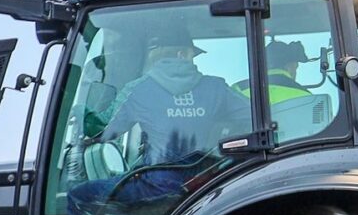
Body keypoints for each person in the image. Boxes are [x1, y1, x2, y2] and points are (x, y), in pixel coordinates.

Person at [86, 35, 249, 206]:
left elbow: (103, 131)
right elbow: (252, 117)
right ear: (181, 54)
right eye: (192, 56)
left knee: (79, 195)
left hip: (154, 186)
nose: (193, 61)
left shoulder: (139, 89)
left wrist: (80, 111)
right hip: (205, 185)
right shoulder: (216, 88)